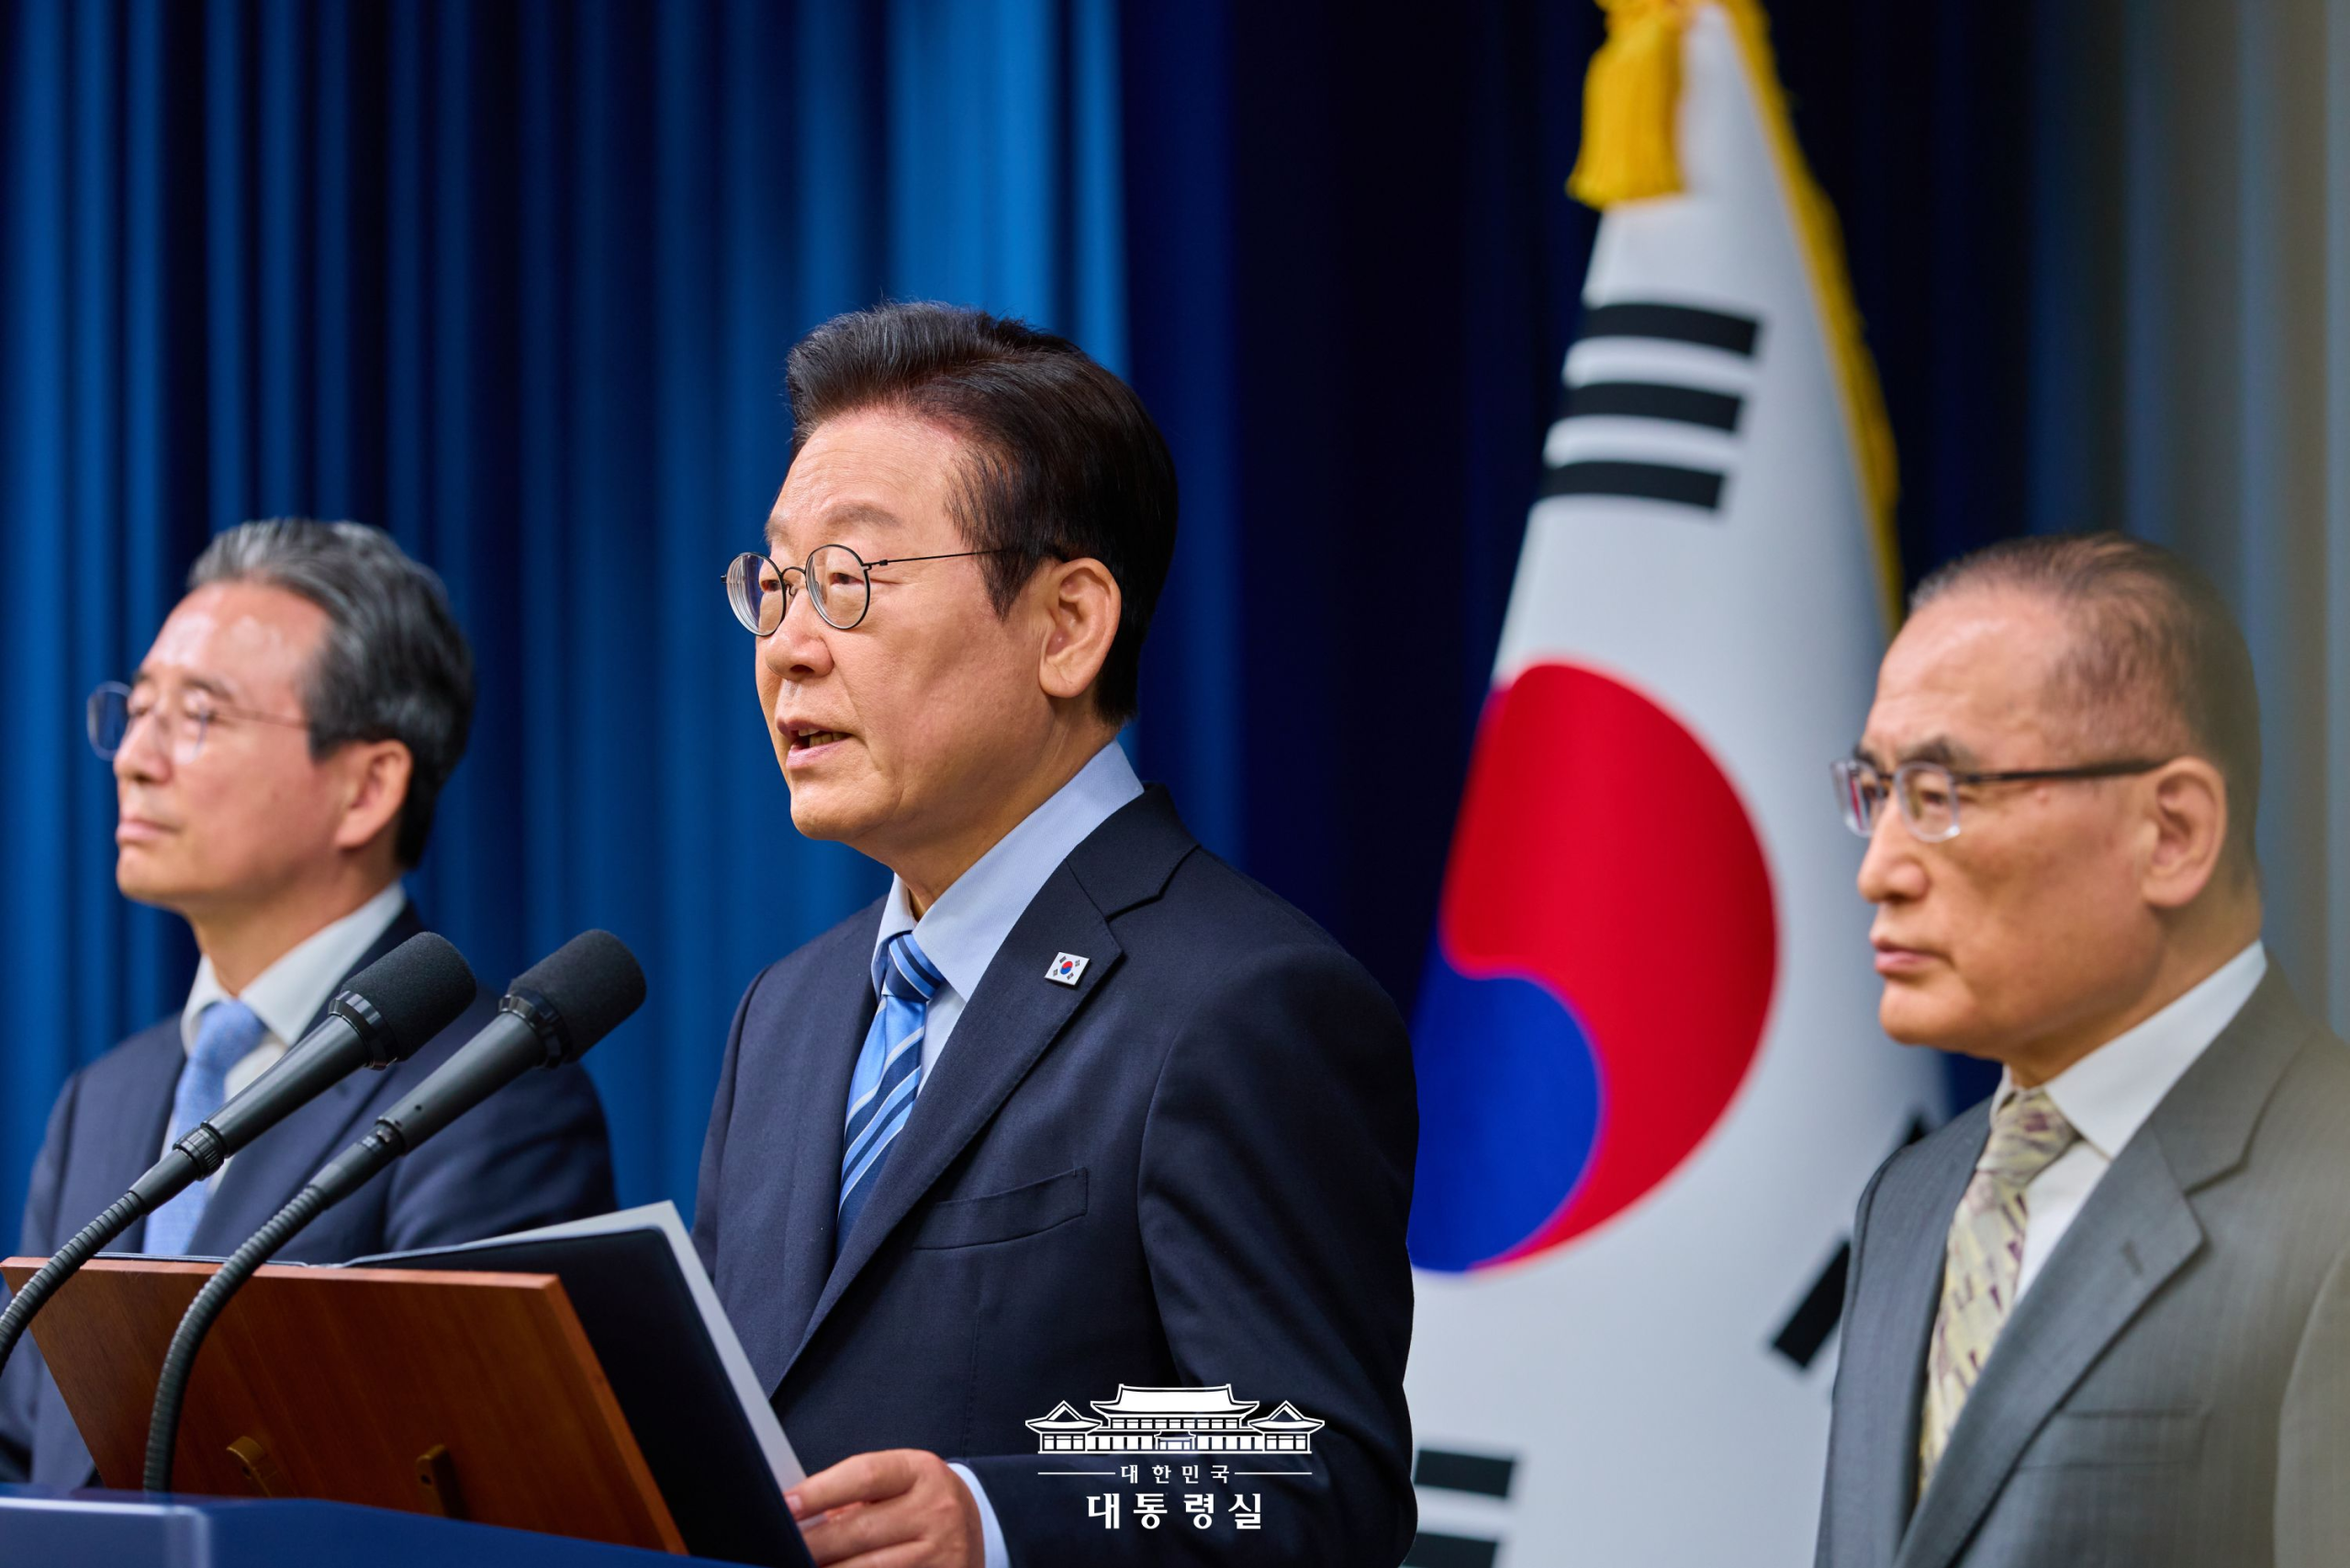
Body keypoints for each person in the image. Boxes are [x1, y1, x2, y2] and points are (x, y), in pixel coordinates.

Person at [692, 303, 1417, 1567]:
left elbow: (1304, 1466)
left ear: (1068, 624)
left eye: (849, 581)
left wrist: (996, 1521)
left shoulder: (1240, 1001)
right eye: (779, 584)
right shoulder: (787, 1013)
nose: (789, 650)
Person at [0, 520, 615, 1487]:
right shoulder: (102, 1099)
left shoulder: (490, 1090)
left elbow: (472, 1484)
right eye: (137, 709)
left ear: (368, 787)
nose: (134, 759)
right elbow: (26, 1450)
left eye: (198, 715)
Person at [1815, 533, 2350, 1567]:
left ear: (2172, 832)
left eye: (1940, 794)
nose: (1879, 870)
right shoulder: (1911, 1198)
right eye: (1876, 792)